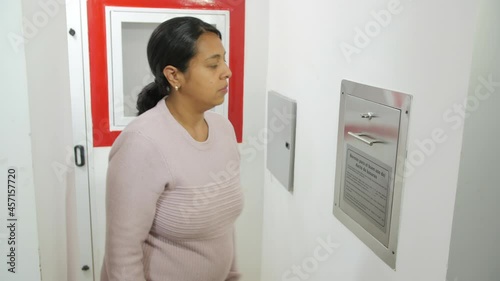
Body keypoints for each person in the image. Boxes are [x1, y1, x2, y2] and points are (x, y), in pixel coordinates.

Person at [100, 16, 244, 281]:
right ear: (174, 75)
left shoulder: (224, 130)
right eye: (213, 64)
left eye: (223, 59)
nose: (227, 71)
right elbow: (122, 254)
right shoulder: (142, 143)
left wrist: (233, 275)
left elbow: (222, 226)